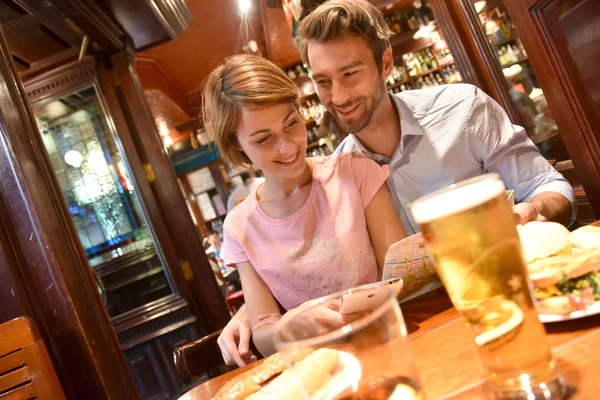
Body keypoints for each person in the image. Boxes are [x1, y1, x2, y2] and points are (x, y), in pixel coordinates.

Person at [218, 0, 575, 366]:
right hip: (425, 336)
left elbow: (550, 186)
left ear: (386, 62)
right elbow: (327, 269)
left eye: (351, 74)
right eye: (323, 81)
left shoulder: (462, 110)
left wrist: (531, 211)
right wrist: (257, 311)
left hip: (516, 296)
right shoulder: (341, 173)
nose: (337, 97)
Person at [203, 54, 406, 358]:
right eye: (263, 140)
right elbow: (263, 332)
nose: (287, 147)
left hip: (386, 340)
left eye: (291, 124)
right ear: (237, 147)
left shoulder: (355, 172)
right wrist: (293, 324)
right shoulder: (240, 226)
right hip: (320, 367)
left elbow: (401, 275)